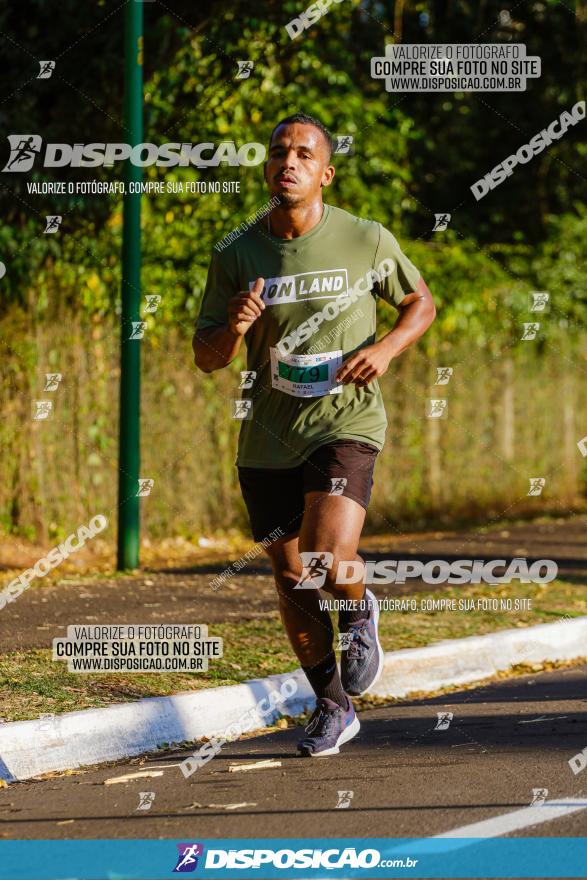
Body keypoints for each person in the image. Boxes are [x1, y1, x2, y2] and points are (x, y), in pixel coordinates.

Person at [193, 112, 435, 757]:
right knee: (293, 575)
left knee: (329, 558)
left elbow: (421, 302)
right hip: (269, 435)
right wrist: (235, 328)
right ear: (267, 168)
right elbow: (207, 356)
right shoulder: (236, 251)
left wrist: (386, 348)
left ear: (324, 172)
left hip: (345, 422)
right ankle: (332, 706)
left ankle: (359, 611)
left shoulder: (364, 239)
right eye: (277, 153)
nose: (288, 162)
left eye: (303, 154)